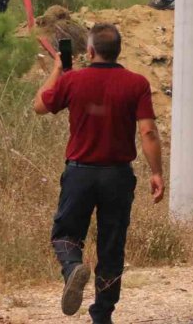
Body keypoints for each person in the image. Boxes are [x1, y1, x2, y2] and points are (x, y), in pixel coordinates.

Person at [33, 23, 164, 322]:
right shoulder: (136, 84)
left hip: (80, 174)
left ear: (90, 51)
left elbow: (39, 105)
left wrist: (58, 69)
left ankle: (73, 268)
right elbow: (148, 132)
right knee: (112, 245)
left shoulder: (74, 80)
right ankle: (102, 316)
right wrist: (156, 173)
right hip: (118, 176)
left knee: (65, 235)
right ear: (118, 51)